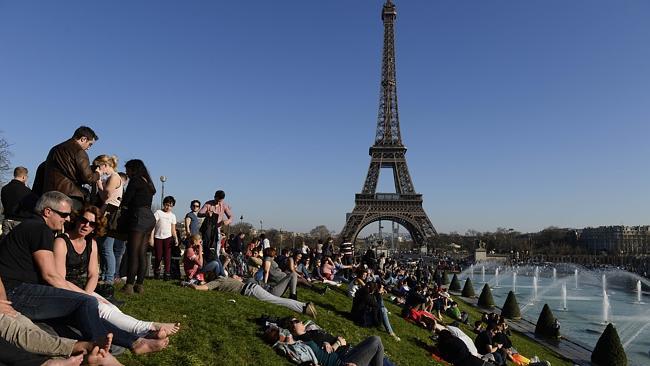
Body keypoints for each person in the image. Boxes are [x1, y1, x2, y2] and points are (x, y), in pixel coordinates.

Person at [0, 191, 147, 351]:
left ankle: (133, 341)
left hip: (17, 290)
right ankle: (103, 347)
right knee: (87, 302)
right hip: (15, 292)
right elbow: (51, 276)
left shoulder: (32, 226)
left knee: (86, 305)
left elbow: (85, 275)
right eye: (64, 214)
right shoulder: (39, 229)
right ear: (47, 212)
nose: (68, 219)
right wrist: (84, 295)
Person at [52, 205, 175, 352]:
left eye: (92, 224)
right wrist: (86, 296)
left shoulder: (91, 243)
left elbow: (93, 275)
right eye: (84, 220)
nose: (86, 225)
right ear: (76, 219)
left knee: (111, 308)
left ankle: (148, 334)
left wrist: (88, 293)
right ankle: (149, 327)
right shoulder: (62, 241)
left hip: (82, 289)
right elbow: (59, 279)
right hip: (64, 289)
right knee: (103, 309)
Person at [189, 276, 317, 318]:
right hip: (252, 288)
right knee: (277, 300)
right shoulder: (223, 278)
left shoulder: (218, 281)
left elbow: (203, 288)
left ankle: (303, 307)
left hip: (250, 290)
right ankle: (303, 306)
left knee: (276, 301)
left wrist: (192, 286)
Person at [264, 323, 389, 366]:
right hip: (343, 363)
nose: (284, 332)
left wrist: (327, 342)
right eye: (280, 333)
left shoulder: (299, 341)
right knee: (376, 341)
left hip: (345, 356)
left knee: (378, 350)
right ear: (279, 339)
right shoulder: (292, 349)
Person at [42, 126, 101, 210]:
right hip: (69, 196)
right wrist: (98, 173)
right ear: (83, 139)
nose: (88, 148)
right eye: (90, 144)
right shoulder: (79, 152)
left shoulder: (54, 149)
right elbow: (89, 178)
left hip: (48, 194)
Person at [120, 159, 156, 295]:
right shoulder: (148, 182)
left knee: (133, 252)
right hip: (149, 217)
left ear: (133, 169)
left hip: (138, 216)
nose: (127, 173)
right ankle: (139, 285)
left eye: (128, 170)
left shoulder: (135, 181)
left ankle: (129, 285)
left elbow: (127, 199)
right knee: (142, 252)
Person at [92, 155, 124, 285]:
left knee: (106, 247)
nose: (98, 170)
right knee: (104, 246)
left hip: (109, 213)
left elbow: (105, 196)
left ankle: (109, 278)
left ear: (105, 165)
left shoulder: (114, 178)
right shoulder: (113, 178)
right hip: (107, 212)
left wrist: (99, 182)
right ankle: (106, 275)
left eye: (99, 166)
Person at [197, 190, 233, 262]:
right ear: (214, 197)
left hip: (217, 230)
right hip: (208, 230)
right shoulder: (208, 204)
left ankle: (215, 265)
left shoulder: (224, 205)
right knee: (207, 248)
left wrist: (227, 221)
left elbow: (231, 216)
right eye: (217, 200)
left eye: (220, 201)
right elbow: (199, 214)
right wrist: (206, 214)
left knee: (216, 249)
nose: (218, 202)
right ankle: (207, 263)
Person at [1, 166, 37, 236]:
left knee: (6, 245)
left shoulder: (4, 189)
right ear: (23, 177)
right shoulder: (27, 191)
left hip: (6, 221)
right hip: (20, 222)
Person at [152, 196, 178, 281]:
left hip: (168, 238)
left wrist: (176, 238)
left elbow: (173, 229)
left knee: (167, 257)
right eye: (167, 205)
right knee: (158, 257)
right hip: (158, 237)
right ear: (164, 204)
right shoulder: (158, 213)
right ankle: (156, 271)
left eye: (170, 206)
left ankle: (167, 273)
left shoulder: (173, 216)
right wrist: (151, 238)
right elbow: (153, 226)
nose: (168, 207)